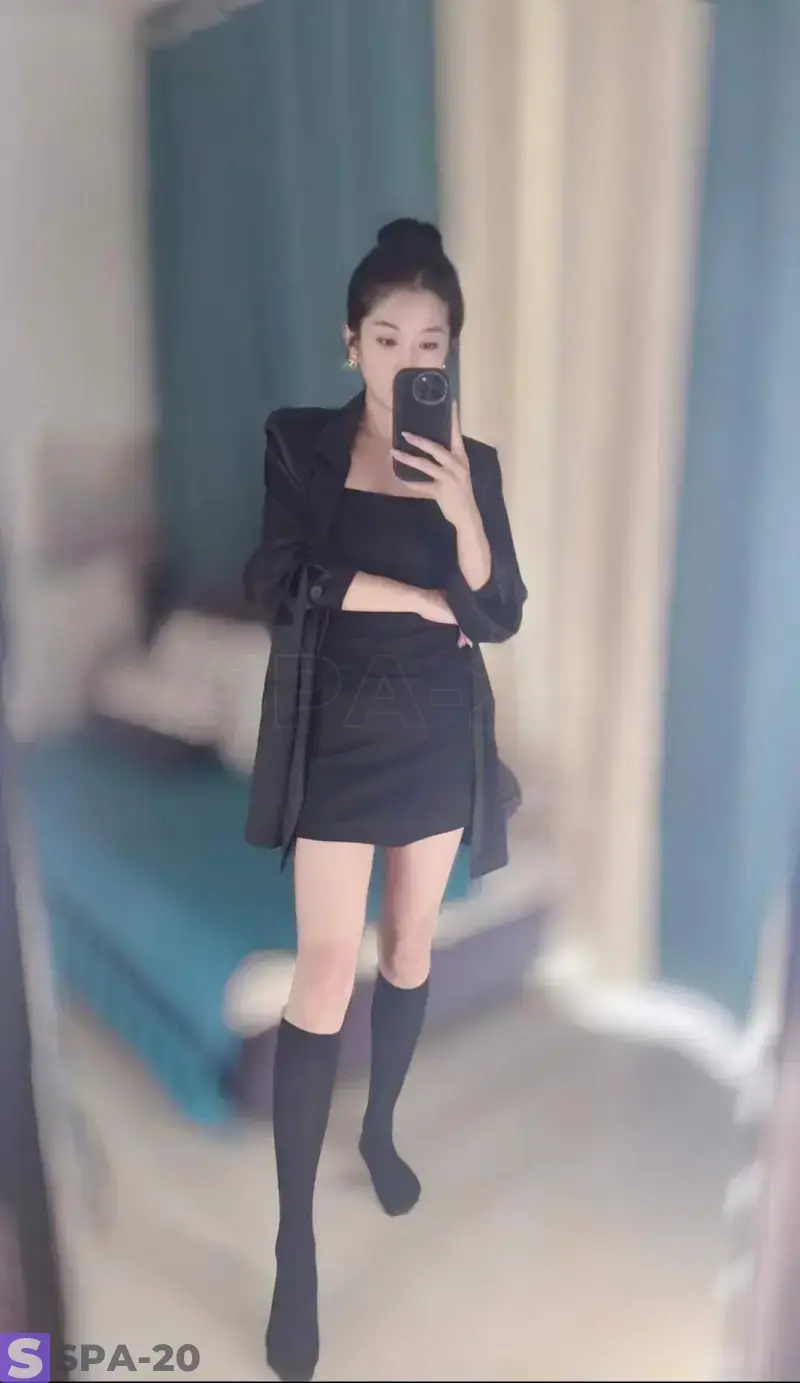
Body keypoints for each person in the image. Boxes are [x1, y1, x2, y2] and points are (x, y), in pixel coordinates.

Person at [244, 217, 527, 1382]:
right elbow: (274, 578)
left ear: (449, 351)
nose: (409, 357)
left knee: (409, 945)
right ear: (349, 341)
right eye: (388, 336)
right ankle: (295, 1249)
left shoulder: (473, 463)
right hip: (336, 727)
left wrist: (461, 511)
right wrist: (404, 596)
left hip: (435, 730)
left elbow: (499, 613)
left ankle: (378, 1128)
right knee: (323, 971)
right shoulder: (297, 442)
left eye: (431, 341)